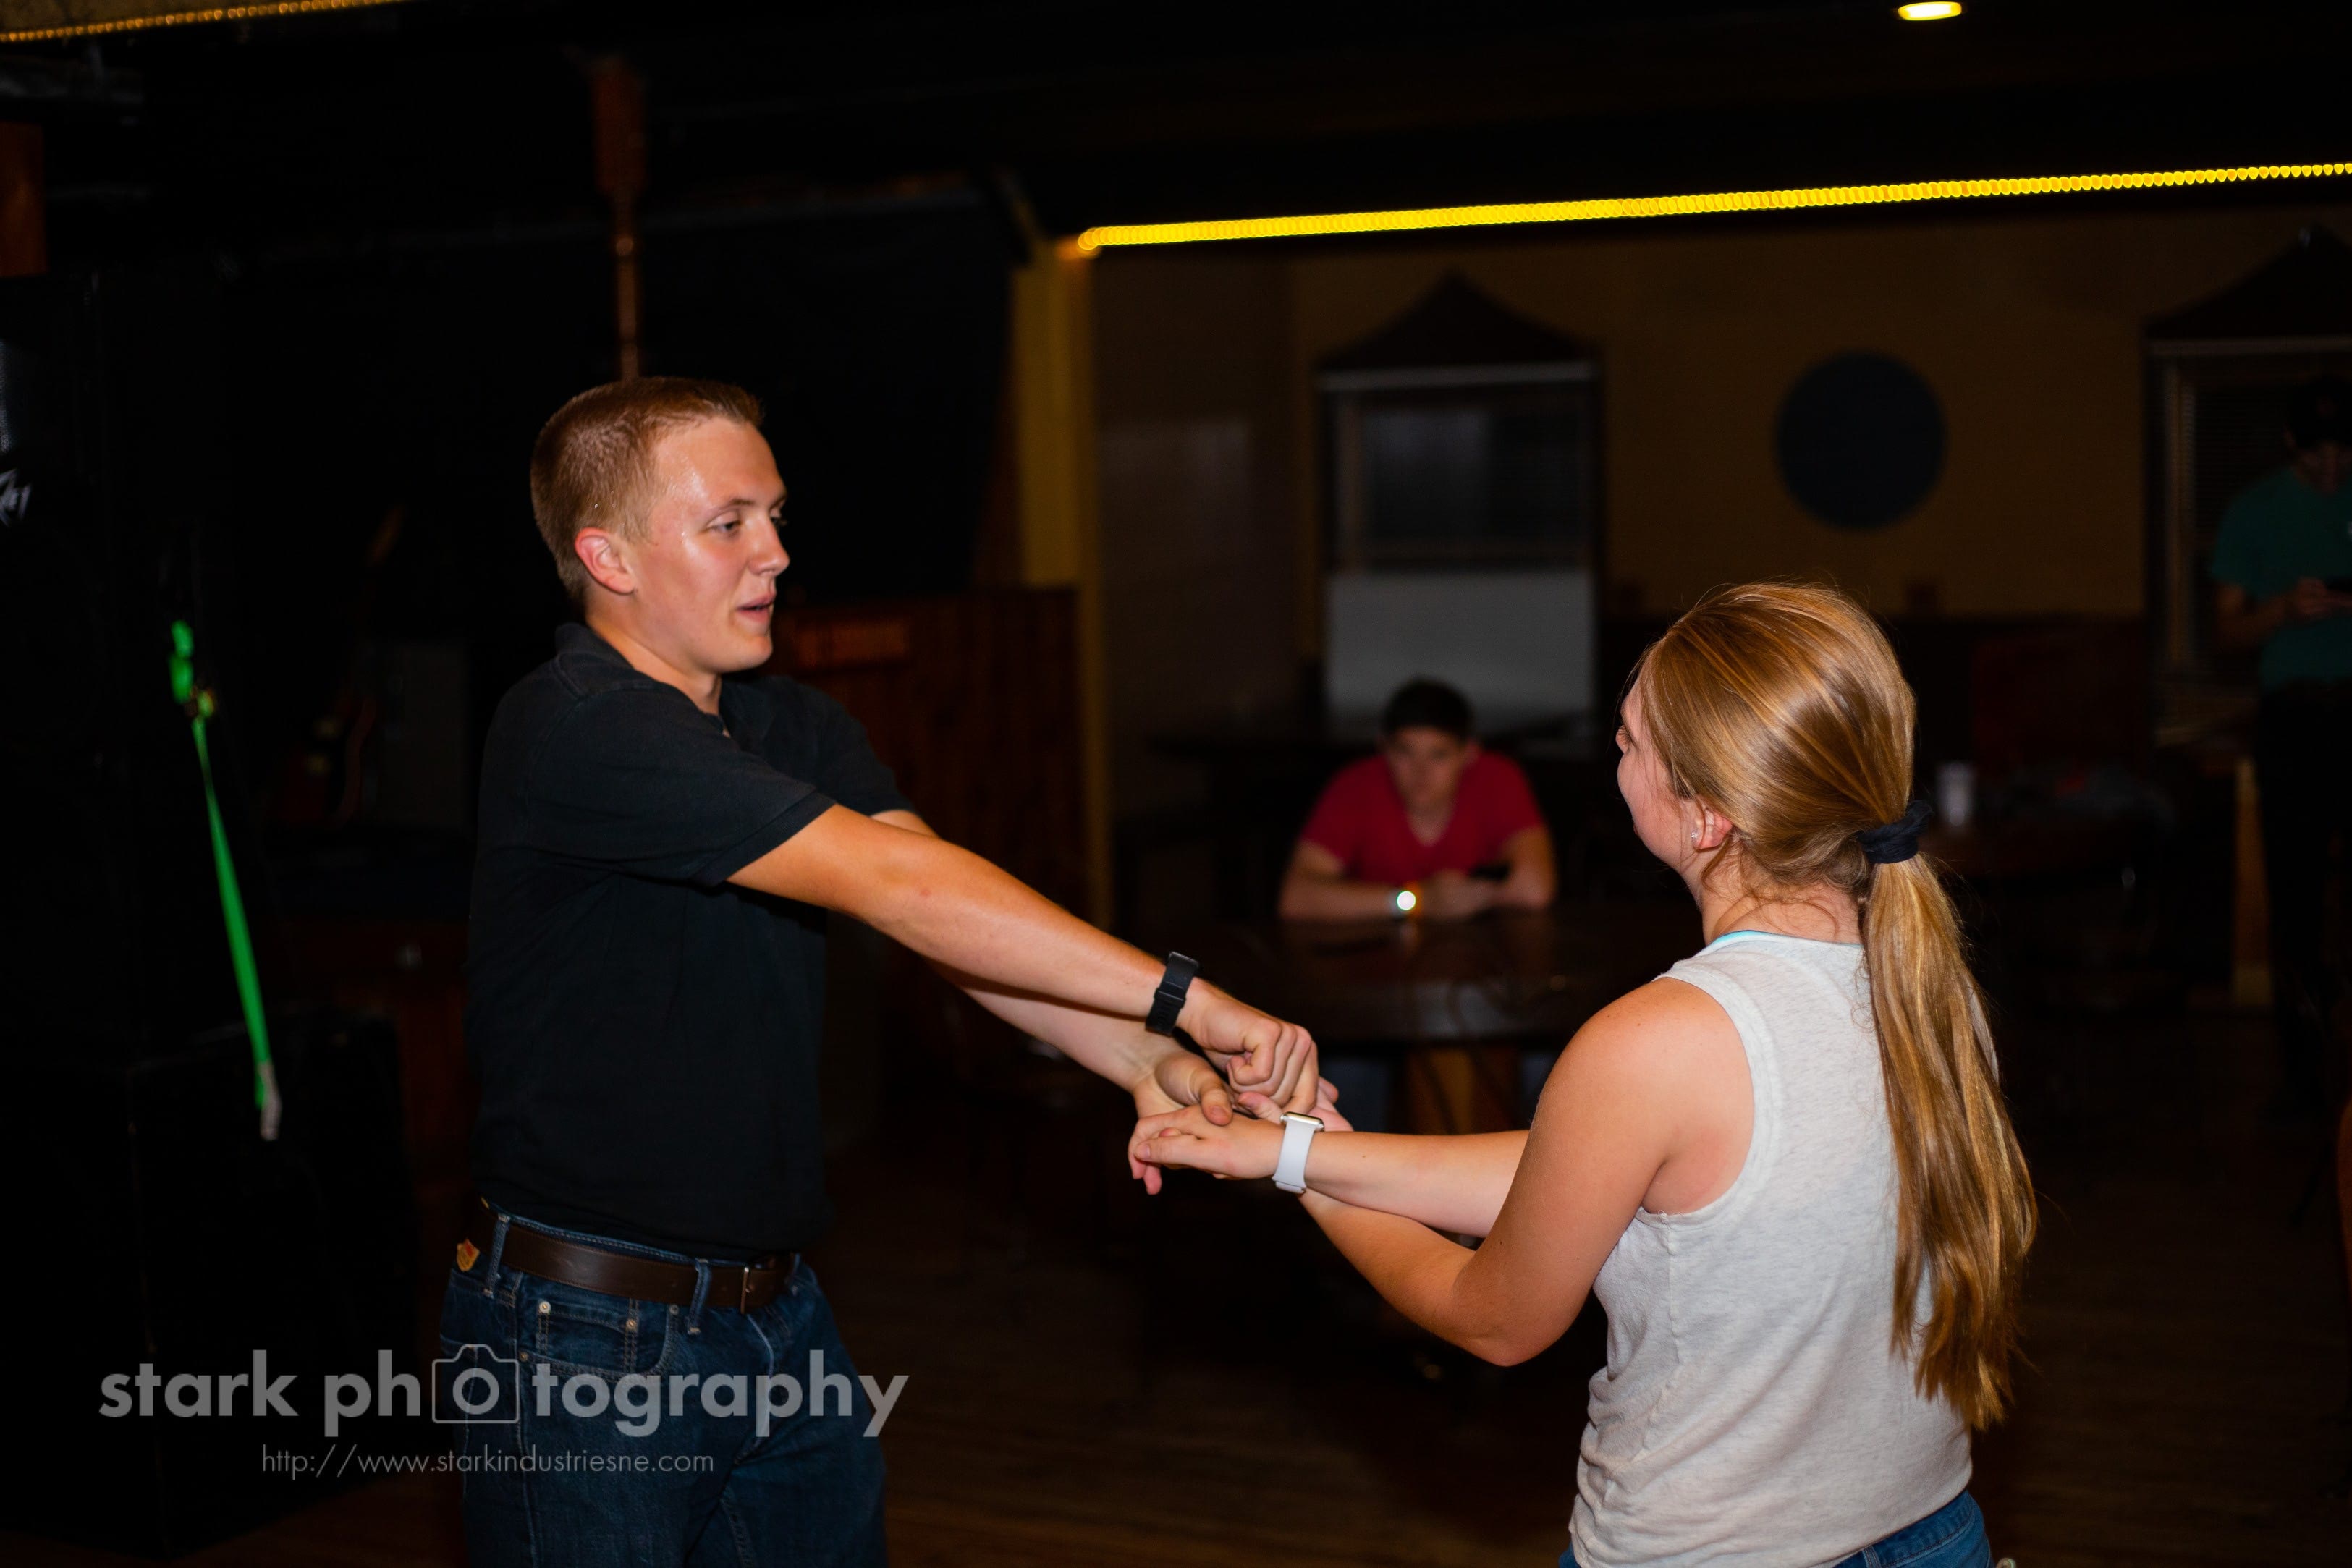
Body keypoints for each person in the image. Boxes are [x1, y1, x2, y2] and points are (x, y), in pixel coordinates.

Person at [444, 378, 1321, 1567]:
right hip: (586, 1330)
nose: (774, 552)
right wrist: (1189, 998)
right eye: (728, 523)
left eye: (775, 516)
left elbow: (940, 915)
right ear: (609, 557)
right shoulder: (574, 726)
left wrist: (1140, 1056)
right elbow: (902, 887)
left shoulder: (788, 721)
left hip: (776, 1311)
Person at [1136, 582, 2036, 1568]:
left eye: (1630, 741)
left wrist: (1303, 1183)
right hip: (1934, 1533)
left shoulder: (1657, 1039)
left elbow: (1495, 1319)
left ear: (1706, 817)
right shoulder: (1929, 995)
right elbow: (1590, 1176)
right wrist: (1300, 1146)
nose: (1615, 752)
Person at [2214, 374, 2352, 1122]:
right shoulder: (2253, 510)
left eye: (2344, 454)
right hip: (2295, 719)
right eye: (2317, 455)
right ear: (2291, 444)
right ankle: (2301, 1077)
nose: (2332, 469)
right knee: (2294, 899)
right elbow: (2225, 630)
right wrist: (2282, 612)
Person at [1279, 678, 1556, 922]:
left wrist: (1456, 896)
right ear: (1384, 749)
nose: (1421, 772)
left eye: (1438, 755)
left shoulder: (1497, 778)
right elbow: (1296, 898)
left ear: (1469, 754)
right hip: (1376, 956)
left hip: (1477, 955)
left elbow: (1535, 890)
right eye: (1405, 752)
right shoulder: (1355, 786)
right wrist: (1415, 900)